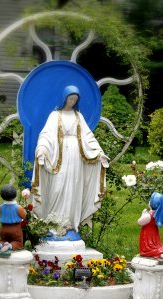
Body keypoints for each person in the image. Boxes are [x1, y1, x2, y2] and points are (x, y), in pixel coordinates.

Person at [31, 85, 109, 235]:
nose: (72, 101)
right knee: (58, 186)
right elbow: (46, 135)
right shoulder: (55, 115)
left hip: (75, 156)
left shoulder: (78, 116)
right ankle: (55, 221)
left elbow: (88, 137)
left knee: (74, 186)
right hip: (58, 156)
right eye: (70, 98)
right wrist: (41, 150)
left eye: (75, 99)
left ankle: (70, 223)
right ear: (64, 98)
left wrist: (99, 153)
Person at [137, 192, 163, 260]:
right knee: (157, 246)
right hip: (154, 235)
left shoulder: (148, 215)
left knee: (149, 248)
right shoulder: (158, 215)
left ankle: (158, 253)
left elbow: (139, 222)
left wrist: (143, 214)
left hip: (147, 236)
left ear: (153, 203)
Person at [0, 184, 26, 251]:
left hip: (4, 228)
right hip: (15, 229)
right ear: (15, 195)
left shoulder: (1, 207)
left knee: (4, 240)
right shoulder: (18, 207)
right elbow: (24, 216)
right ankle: (9, 246)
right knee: (18, 242)